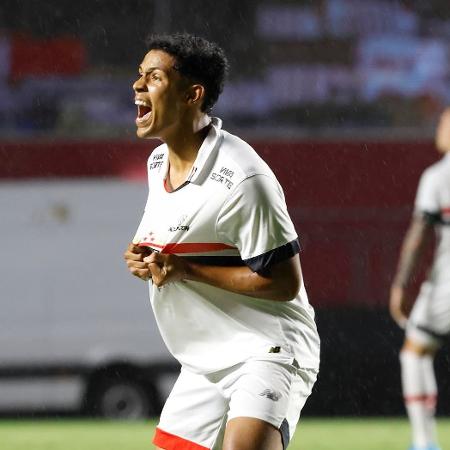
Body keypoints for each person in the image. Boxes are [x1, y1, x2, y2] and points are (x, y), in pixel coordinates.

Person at [123, 33, 320, 450]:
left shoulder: (243, 178)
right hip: (203, 360)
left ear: (193, 94)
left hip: (267, 348)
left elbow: (285, 283)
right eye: (139, 76)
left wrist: (184, 269)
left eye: (153, 77)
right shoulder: (158, 162)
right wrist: (143, 259)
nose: (138, 86)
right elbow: (169, 245)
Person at [390, 107, 450, 450]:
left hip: (447, 285)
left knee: (415, 351)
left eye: (445, 121)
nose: (440, 127)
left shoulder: (438, 176)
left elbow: (419, 234)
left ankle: (424, 442)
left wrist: (400, 285)